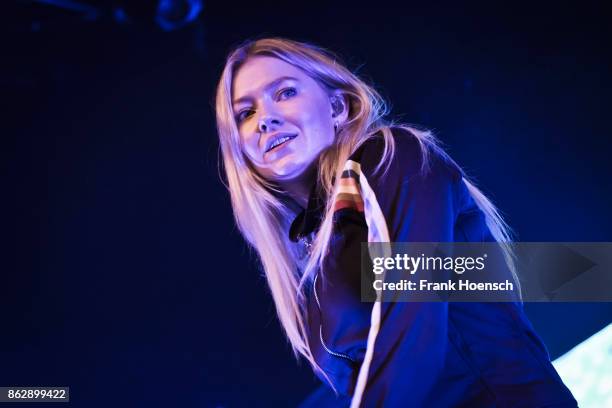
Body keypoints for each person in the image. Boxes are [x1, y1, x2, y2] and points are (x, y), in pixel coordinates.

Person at [214, 37, 577, 407]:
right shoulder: (311, 268)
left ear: (337, 106)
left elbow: (411, 327)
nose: (265, 119)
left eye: (286, 92)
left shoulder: (389, 157)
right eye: (245, 113)